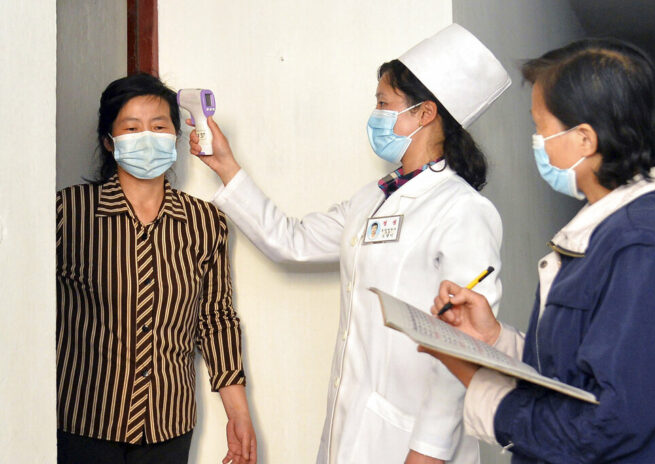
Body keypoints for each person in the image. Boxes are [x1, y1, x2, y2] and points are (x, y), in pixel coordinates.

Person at [189, 24, 510, 464]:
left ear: (425, 113)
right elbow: (291, 241)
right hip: (351, 429)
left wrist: (429, 451)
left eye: (383, 103)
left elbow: (463, 344)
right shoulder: (373, 198)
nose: (374, 114)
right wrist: (226, 167)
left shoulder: (462, 210)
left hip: (415, 443)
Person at [422, 38, 655, 463]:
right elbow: (576, 371)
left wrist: (473, 379)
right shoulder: (606, 230)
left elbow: (611, 424)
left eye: (541, 129)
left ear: (584, 139)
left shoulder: (644, 246)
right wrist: (492, 338)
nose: (538, 142)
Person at [56, 73, 257, 464]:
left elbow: (215, 319)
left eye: (159, 126)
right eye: (131, 127)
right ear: (109, 140)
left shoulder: (204, 221)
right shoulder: (69, 213)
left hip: (167, 424)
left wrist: (239, 414)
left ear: (176, 137)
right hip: (84, 423)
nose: (147, 136)